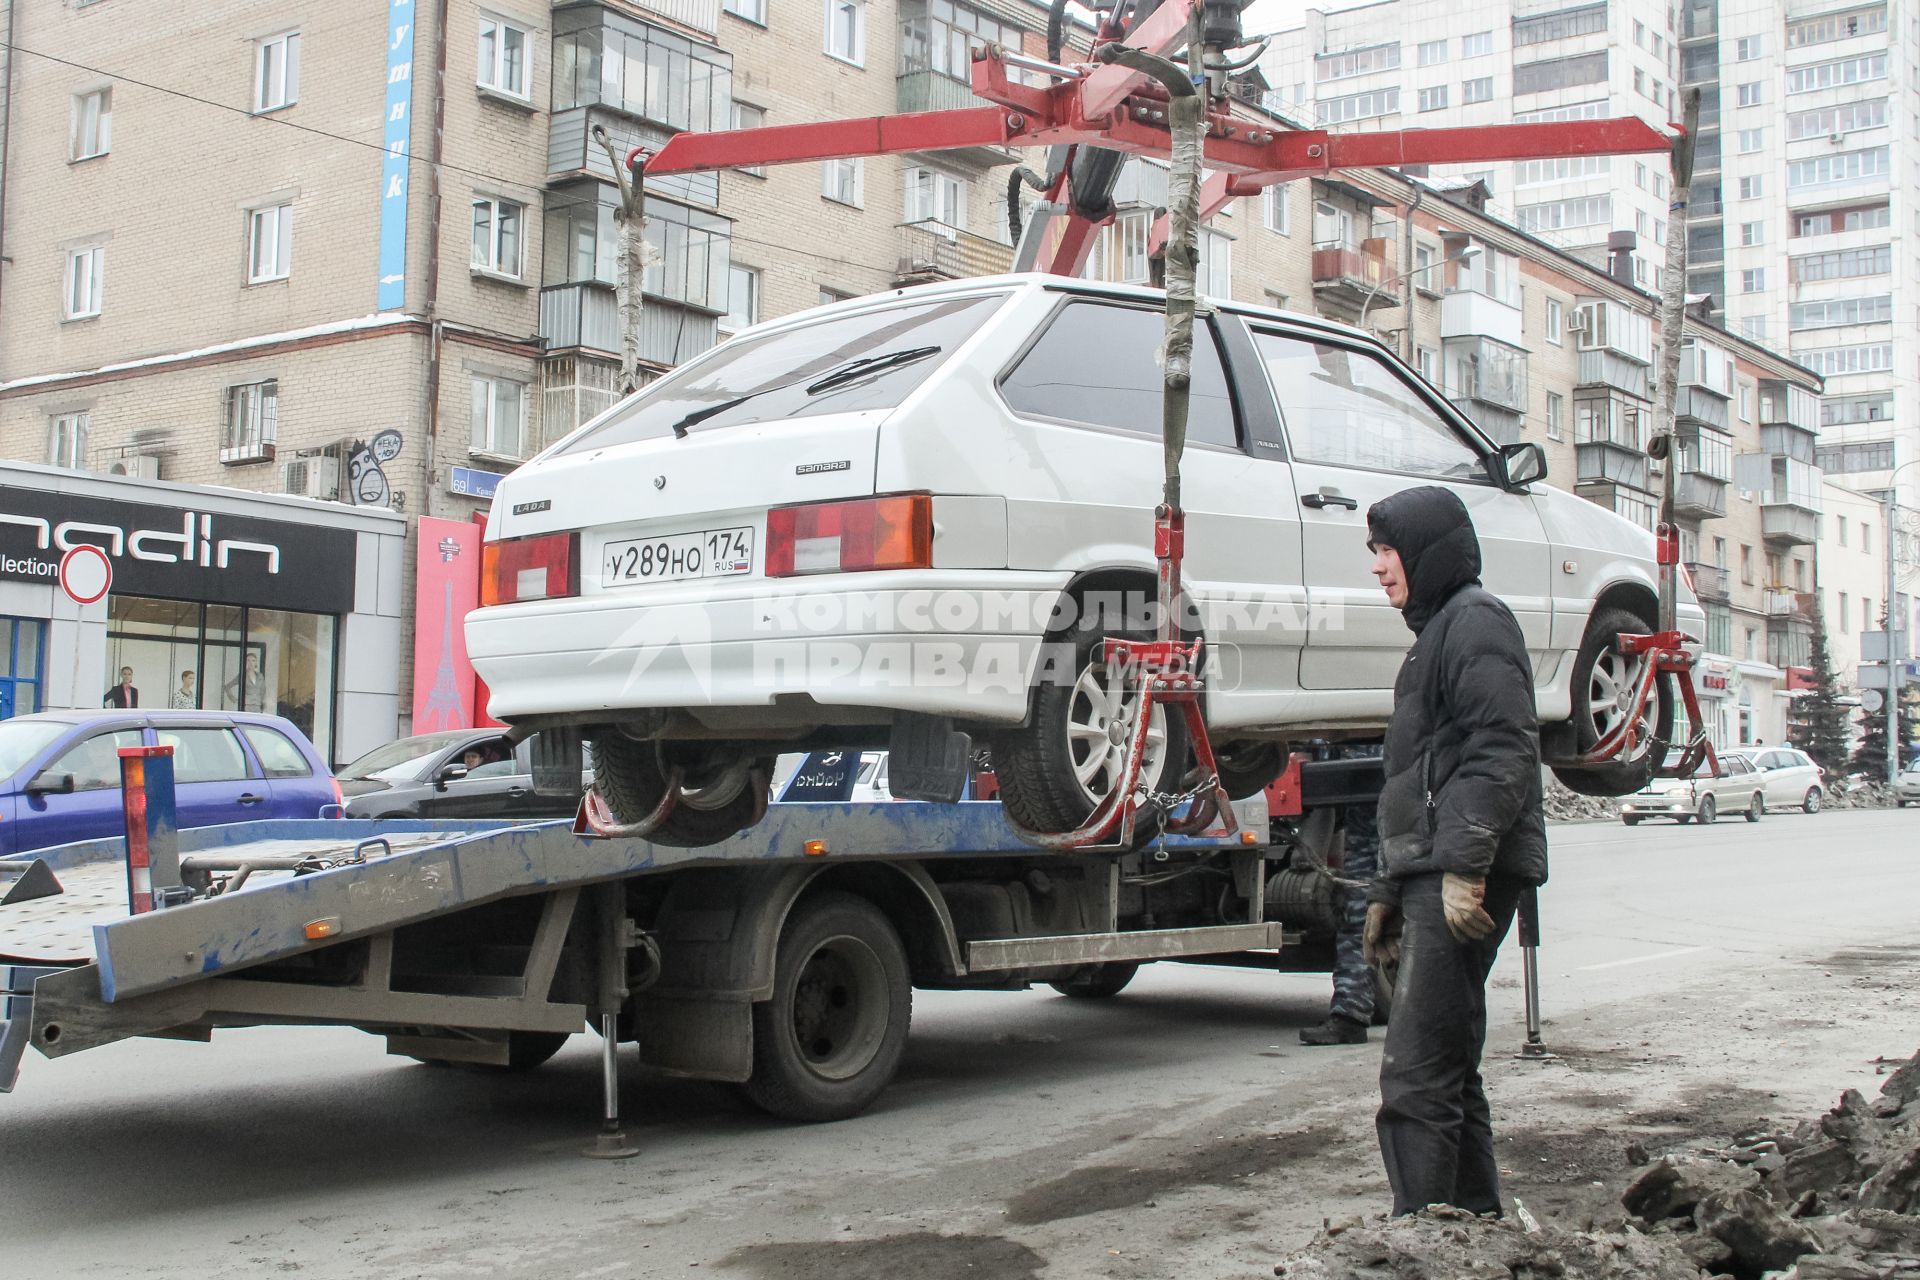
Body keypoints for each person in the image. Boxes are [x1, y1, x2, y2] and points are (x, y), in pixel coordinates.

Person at [1360, 485, 1547, 1219]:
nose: (1378, 566)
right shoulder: (1441, 631)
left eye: (1386, 548)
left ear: (1428, 551)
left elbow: (1502, 751)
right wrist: (1385, 889)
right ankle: (1475, 1228)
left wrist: (1466, 866)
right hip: (1433, 872)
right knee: (1451, 1069)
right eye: (1374, 552)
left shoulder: (1475, 623)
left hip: (1460, 874)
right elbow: (1418, 780)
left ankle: (1421, 1243)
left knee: (1418, 1074)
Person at [1299, 746, 1383, 1046]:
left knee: (1412, 917)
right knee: (1357, 916)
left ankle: (1432, 1016)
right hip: (1365, 820)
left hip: (1399, 822)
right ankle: (1350, 1014)